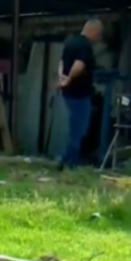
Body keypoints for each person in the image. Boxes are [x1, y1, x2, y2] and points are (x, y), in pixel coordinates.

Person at [56, 18, 101, 169]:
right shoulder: (85, 46)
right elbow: (79, 65)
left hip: (68, 93)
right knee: (79, 129)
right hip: (80, 93)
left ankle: (66, 159)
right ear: (93, 31)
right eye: (98, 34)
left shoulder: (70, 42)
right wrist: (69, 78)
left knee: (73, 127)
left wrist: (62, 77)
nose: (98, 38)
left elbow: (62, 62)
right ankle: (69, 161)